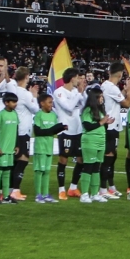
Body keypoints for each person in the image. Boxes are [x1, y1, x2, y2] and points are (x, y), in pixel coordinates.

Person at [8, 66, 39, 201]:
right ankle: (15, 189)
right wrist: (34, 96)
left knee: (14, 161)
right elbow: (36, 109)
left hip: (13, 130)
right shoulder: (26, 94)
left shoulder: (13, 91)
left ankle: (9, 189)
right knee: (23, 160)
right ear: (27, 77)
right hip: (23, 131)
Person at [99, 63, 130, 199]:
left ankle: (111, 187)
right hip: (110, 127)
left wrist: (123, 92)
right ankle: (102, 189)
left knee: (113, 157)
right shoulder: (111, 87)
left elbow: (117, 99)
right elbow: (127, 104)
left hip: (113, 126)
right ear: (120, 74)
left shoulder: (107, 86)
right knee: (108, 158)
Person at [53, 67, 84, 199]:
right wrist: (79, 94)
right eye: (77, 77)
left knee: (81, 160)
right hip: (65, 130)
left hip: (78, 130)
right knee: (63, 160)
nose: (79, 80)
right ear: (72, 78)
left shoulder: (77, 91)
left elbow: (83, 106)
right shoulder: (59, 92)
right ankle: (61, 189)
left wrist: (82, 94)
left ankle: (73, 187)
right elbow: (69, 107)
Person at [79, 87, 112, 204]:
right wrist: (102, 122)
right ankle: (84, 194)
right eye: (100, 96)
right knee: (88, 167)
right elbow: (87, 126)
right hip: (90, 141)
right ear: (95, 98)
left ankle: (94, 194)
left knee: (97, 168)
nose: (102, 98)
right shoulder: (88, 110)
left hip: (100, 141)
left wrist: (106, 123)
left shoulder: (101, 110)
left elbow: (100, 126)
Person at [32, 93, 66, 203]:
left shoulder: (53, 115)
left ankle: (46, 194)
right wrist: (53, 130)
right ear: (42, 103)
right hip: (40, 147)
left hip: (49, 147)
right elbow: (37, 131)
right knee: (39, 171)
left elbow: (54, 130)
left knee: (46, 171)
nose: (51, 104)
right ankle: (38, 195)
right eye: (49, 102)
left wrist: (61, 128)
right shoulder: (39, 115)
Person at [0, 93, 20, 204]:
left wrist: (17, 145)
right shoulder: (1, 115)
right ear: (6, 103)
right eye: (13, 102)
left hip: (10, 149)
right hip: (2, 149)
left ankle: (6, 196)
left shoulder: (15, 114)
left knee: (7, 172)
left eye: (16, 102)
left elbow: (16, 130)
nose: (15, 104)